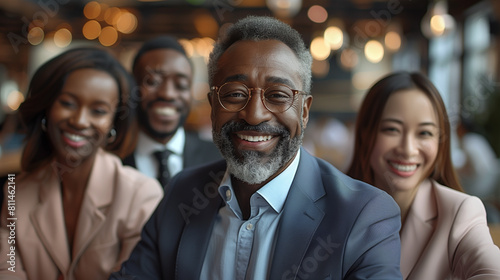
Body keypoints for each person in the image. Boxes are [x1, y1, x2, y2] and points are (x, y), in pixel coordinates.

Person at [110, 16, 402, 280]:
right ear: (212, 108)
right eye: (235, 94)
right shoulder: (183, 192)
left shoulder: (364, 215)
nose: (254, 115)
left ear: (304, 111)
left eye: (277, 95)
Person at [0, 47, 163, 279]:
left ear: (112, 125)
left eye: (98, 111)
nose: (79, 121)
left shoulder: (140, 194)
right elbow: (7, 270)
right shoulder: (15, 192)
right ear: (46, 109)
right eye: (67, 103)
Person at [347, 71, 500, 279]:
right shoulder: (331, 207)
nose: (408, 149)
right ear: (365, 133)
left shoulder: (459, 212)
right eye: (392, 129)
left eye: (424, 133)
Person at [122, 35, 221, 189]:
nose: (167, 94)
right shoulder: (113, 159)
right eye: (153, 82)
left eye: (181, 85)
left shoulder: (219, 159)